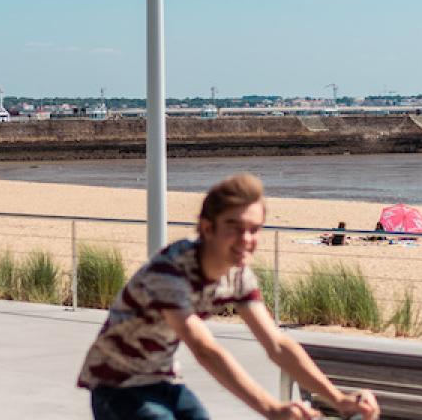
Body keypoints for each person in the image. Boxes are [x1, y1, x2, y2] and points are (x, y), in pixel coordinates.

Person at [77, 174, 379, 420]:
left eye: (254, 230)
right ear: (207, 228)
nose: (246, 240)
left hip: (162, 379)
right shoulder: (169, 272)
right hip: (116, 386)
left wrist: (339, 399)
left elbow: (277, 344)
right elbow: (204, 348)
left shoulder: (237, 274)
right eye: (234, 228)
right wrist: (271, 408)